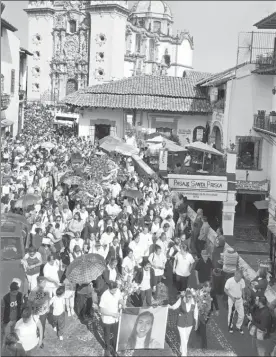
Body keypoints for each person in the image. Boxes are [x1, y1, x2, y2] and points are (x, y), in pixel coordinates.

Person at [169, 288, 198, 357]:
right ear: (185, 296)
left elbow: (196, 313)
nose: (188, 299)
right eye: (187, 297)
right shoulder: (181, 300)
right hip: (180, 323)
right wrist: (168, 306)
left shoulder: (194, 302)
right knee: (183, 338)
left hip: (189, 324)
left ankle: (182, 348)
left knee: (186, 338)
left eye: (190, 297)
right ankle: (184, 354)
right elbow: (174, 307)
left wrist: (196, 323)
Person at [99, 282, 124, 357]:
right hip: (107, 319)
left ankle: (115, 349)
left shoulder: (117, 291)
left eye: (116, 290)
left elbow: (120, 298)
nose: (115, 292)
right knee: (107, 334)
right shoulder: (104, 295)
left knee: (116, 334)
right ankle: (107, 349)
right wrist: (112, 314)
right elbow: (102, 310)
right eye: (113, 290)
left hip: (116, 319)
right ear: (109, 289)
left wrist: (122, 303)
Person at [27, 276, 52, 347]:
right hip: (35, 312)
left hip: (43, 312)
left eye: (45, 282)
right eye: (44, 283)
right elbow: (29, 302)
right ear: (39, 283)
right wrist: (31, 311)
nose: (45, 284)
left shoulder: (47, 290)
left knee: (42, 325)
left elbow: (48, 299)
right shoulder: (33, 291)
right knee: (35, 326)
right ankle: (35, 338)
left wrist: (48, 307)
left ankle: (41, 338)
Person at [1, 282, 24, 347]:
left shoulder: (20, 295)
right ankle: (4, 345)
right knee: (5, 333)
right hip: (8, 319)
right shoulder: (6, 298)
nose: (16, 293)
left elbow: (21, 305)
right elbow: (3, 311)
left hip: (17, 318)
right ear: (11, 290)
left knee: (14, 331)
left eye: (17, 291)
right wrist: (3, 320)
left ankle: (13, 343)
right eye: (14, 292)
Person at [224, 269, 245, 334]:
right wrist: (231, 297)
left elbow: (243, 290)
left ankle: (238, 326)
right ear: (236, 276)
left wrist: (243, 298)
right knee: (231, 315)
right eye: (239, 278)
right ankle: (230, 326)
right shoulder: (229, 281)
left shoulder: (242, 280)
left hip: (240, 300)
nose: (240, 279)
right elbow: (225, 290)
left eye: (241, 277)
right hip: (232, 300)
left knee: (242, 315)